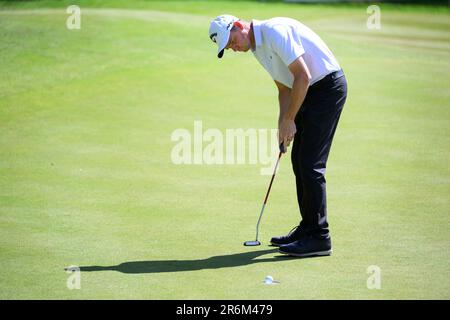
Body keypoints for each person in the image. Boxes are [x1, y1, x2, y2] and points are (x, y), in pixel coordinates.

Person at [209, 15, 347, 257]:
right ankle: (308, 228)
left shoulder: (274, 32)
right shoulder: (257, 48)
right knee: (298, 161)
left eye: (231, 42)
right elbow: (284, 88)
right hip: (308, 91)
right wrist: (282, 124)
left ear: (239, 26)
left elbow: (302, 77)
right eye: (228, 47)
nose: (233, 48)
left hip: (326, 88)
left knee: (310, 163)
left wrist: (290, 119)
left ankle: (319, 237)